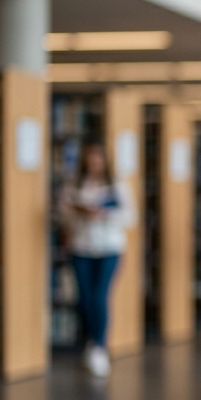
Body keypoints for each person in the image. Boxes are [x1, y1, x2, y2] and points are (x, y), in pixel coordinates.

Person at [58, 142, 133, 378]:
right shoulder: (74, 184)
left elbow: (130, 215)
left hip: (109, 247)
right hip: (82, 247)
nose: (94, 163)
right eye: (90, 159)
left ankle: (99, 347)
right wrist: (79, 213)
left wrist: (104, 213)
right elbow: (63, 212)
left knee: (100, 296)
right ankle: (91, 342)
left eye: (98, 159)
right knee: (84, 299)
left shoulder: (117, 185)